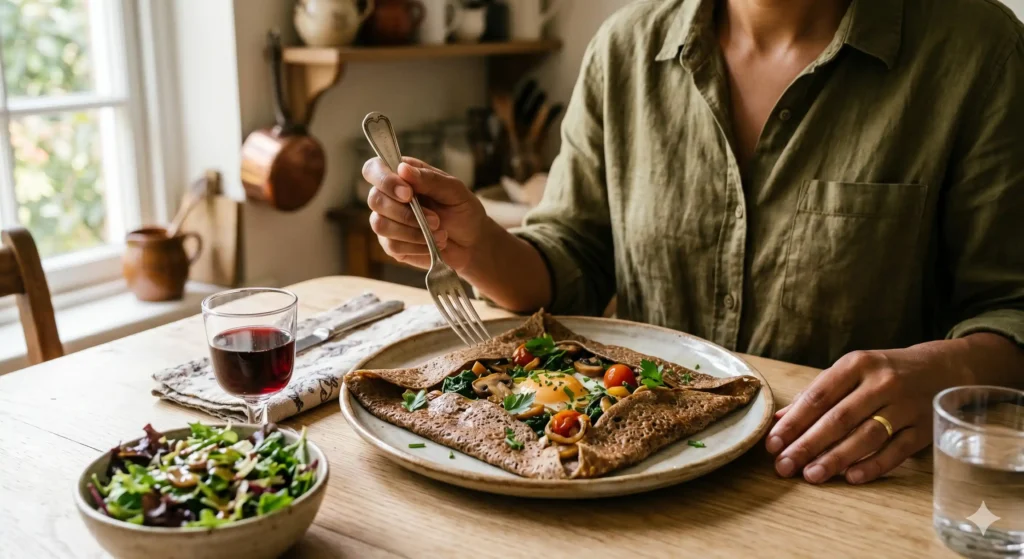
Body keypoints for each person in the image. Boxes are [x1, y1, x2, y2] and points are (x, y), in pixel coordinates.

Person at [361, 0, 1024, 485]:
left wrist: (949, 370)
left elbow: (1010, 304)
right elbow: (574, 257)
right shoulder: (621, 51)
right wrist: (475, 246)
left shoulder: (979, 51)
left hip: (858, 484)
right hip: (625, 488)